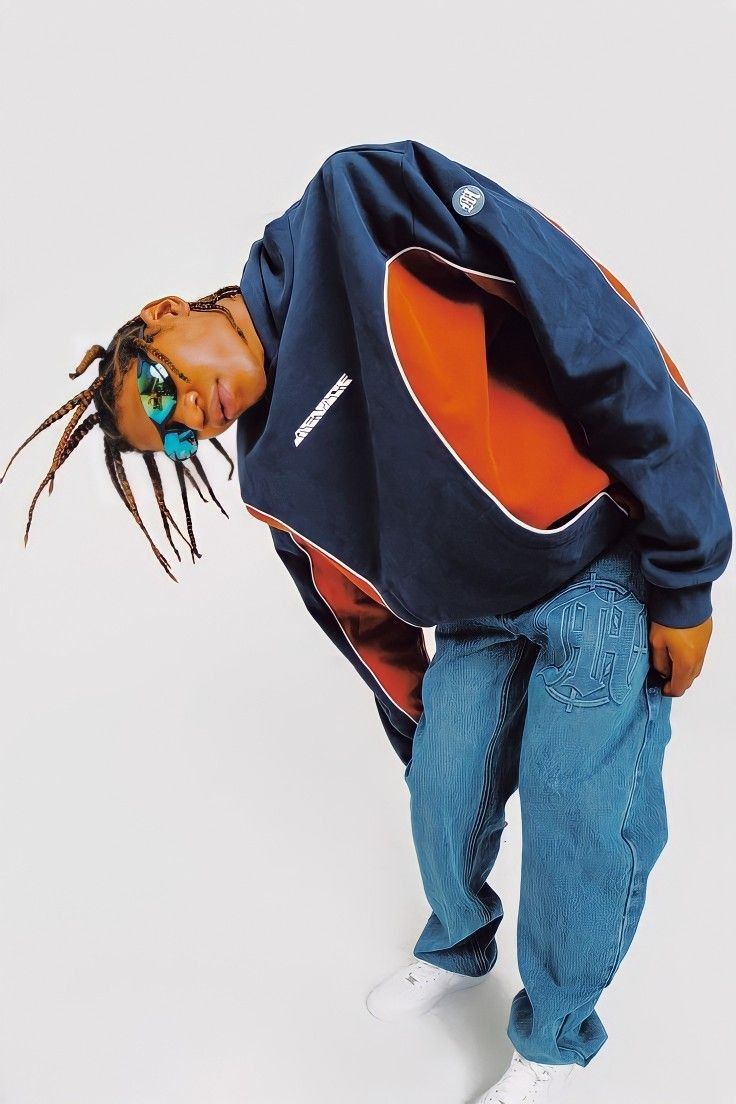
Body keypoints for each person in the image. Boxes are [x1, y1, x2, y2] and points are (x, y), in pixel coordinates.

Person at [2, 139, 731, 1103]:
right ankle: (460, 947)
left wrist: (685, 569)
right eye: (172, 436)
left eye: (159, 387)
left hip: (593, 565)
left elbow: (584, 312)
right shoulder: (271, 477)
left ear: (164, 317)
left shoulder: (360, 207)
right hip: (475, 619)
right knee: (441, 788)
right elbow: (351, 609)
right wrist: (420, 723)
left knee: (577, 805)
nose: (187, 417)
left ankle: (555, 1039)